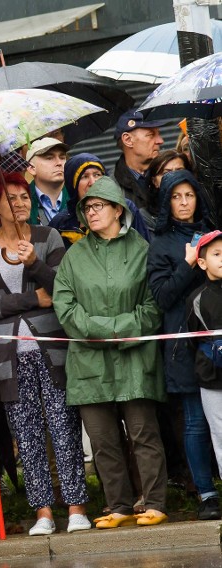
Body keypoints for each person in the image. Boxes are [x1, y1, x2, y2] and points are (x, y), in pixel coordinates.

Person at [0, 172, 90, 536]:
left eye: (25, 197)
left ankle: (77, 508)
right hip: (8, 356)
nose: (21, 203)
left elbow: (64, 289)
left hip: (51, 349)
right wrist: (31, 299)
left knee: (63, 426)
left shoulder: (48, 236)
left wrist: (36, 263)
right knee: (27, 432)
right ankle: (43, 513)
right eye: (12, 198)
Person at [53, 176, 167, 529]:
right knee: (102, 441)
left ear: (118, 209)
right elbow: (66, 309)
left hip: (135, 359)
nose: (91, 212)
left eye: (98, 205)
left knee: (143, 434)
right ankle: (117, 505)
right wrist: (112, 329)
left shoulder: (142, 250)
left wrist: (110, 329)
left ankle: (155, 502)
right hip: (89, 363)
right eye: (87, 207)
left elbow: (151, 308)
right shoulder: (74, 256)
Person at [147, 170, 220, 520]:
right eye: (176, 196)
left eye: (190, 195)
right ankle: (205, 493)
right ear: (166, 201)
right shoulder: (159, 243)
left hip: (216, 338)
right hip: (184, 345)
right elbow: (161, 297)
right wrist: (190, 265)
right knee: (195, 421)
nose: (184, 202)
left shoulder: (212, 233)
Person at [49, 153, 151, 247]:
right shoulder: (61, 223)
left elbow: (145, 250)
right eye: (84, 177)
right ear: (73, 185)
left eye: (97, 175)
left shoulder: (125, 207)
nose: (93, 182)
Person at [186, 231, 222, 497]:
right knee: (220, 435)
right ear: (201, 262)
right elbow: (191, 341)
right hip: (212, 379)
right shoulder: (196, 298)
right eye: (216, 254)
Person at [112, 109, 167, 229]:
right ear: (128, 140)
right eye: (151, 135)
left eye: (159, 134)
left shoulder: (170, 173)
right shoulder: (111, 188)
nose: (160, 141)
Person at [25, 137, 70, 225]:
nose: (59, 163)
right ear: (32, 168)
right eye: (49, 158)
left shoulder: (78, 196)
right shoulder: (22, 202)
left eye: (62, 157)